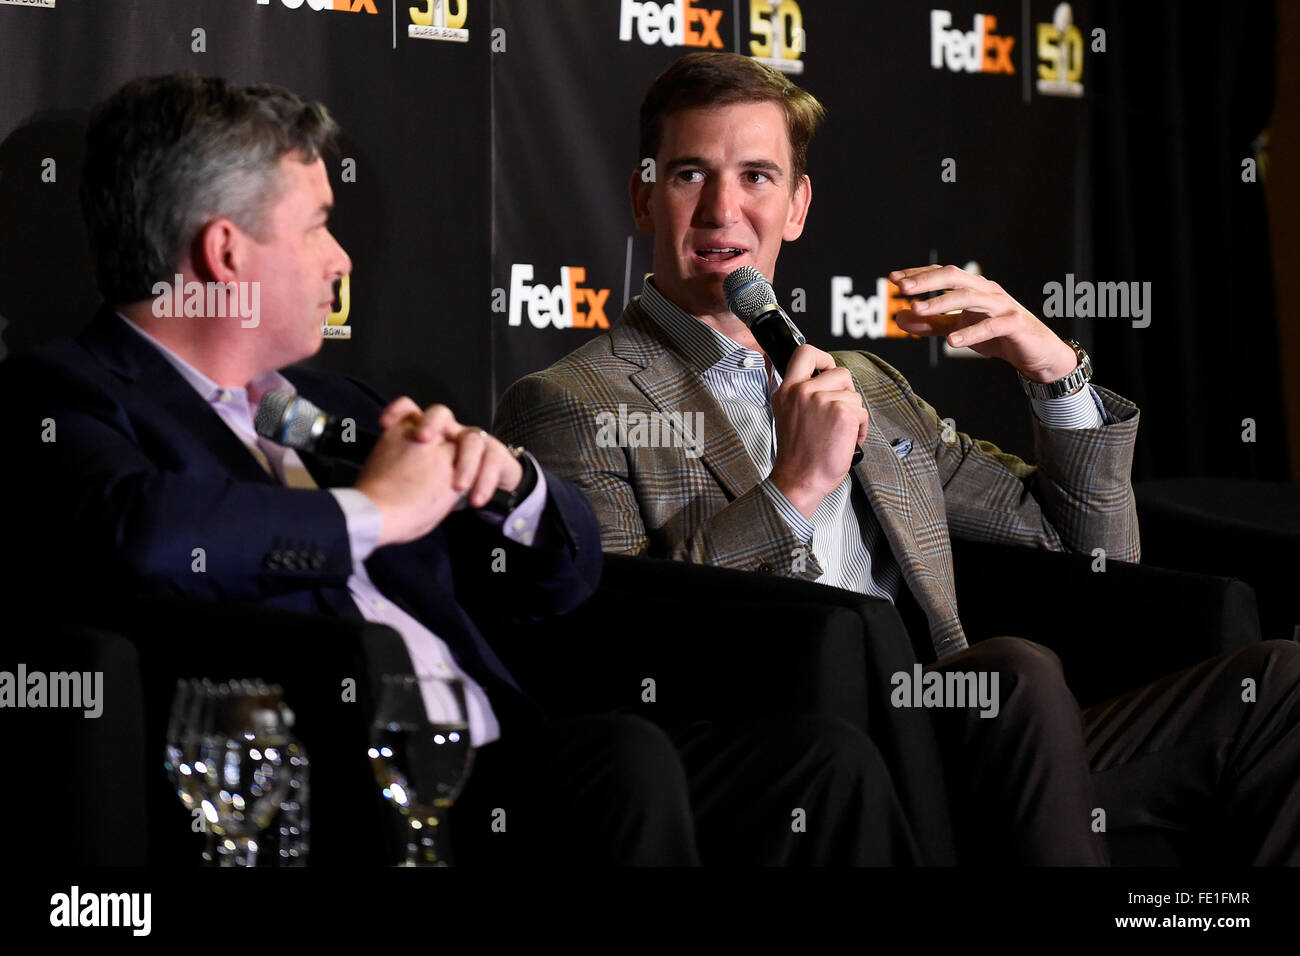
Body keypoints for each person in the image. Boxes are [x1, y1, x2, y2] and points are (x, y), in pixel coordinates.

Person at [0, 73, 921, 867]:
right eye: (319, 226)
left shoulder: (348, 408)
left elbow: (570, 580)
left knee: (821, 765)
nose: (343, 260)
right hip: (343, 786)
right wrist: (376, 511)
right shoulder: (62, 397)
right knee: (621, 763)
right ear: (225, 251)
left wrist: (514, 494)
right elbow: (141, 532)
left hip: (516, 743)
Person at [494, 51, 1300, 865]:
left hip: (969, 744)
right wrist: (794, 489)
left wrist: (1053, 370)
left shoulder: (870, 384)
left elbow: (1091, 558)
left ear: (798, 205)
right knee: (1011, 674)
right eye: (690, 174)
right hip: (813, 765)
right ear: (643, 196)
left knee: (1277, 687)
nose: (722, 210)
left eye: (758, 177)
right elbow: (625, 657)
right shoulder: (571, 402)